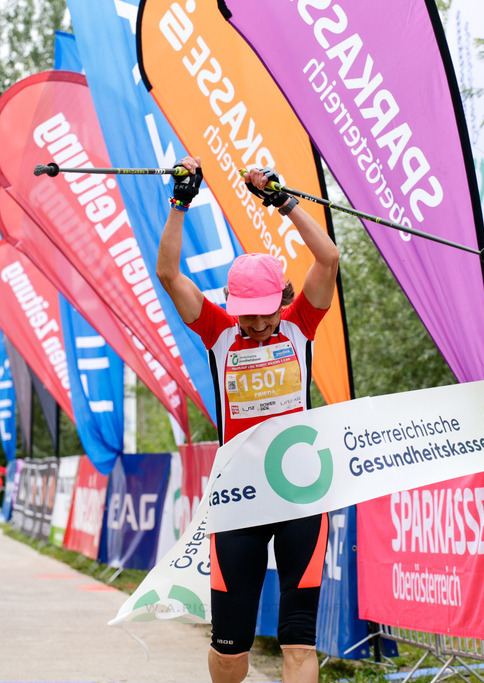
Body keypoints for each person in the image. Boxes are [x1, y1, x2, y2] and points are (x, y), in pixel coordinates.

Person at [156, 156, 339, 683]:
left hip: (300, 496)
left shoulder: (302, 324)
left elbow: (327, 259)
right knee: (231, 647)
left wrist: (285, 203)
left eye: (264, 310)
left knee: (298, 642)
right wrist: (180, 204)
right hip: (237, 501)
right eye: (247, 311)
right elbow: (169, 272)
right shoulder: (218, 332)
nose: (256, 322)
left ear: (282, 301)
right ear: (233, 305)